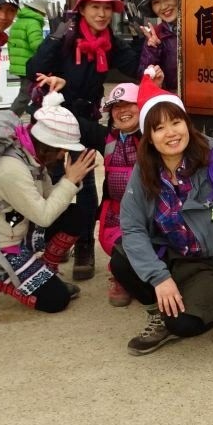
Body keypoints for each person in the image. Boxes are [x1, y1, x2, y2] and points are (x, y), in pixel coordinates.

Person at [113, 76, 213, 355]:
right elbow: (132, 228)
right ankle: (159, 312)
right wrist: (158, 277)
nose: (170, 133)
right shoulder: (144, 171)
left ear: (187, 124)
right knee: (122, 257)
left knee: (182, 324)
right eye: (159, 128)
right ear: (149, 137)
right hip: (179, 258)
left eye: (176, 122)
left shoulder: (212, 159)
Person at [27, 0, 143, 280]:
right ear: (82, 9)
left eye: (107, 8)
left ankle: (85, 246)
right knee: (54, 180)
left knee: (87, 180)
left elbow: (135, 68)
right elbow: (33, 68)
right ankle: (59, 237)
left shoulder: (110, 42)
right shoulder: (67, 36)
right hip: (56, 116)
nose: (102, 14)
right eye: (95, 7)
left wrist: (140, 36)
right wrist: (55, 36)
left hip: (87, 119)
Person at [0, 95, 98, 315]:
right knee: (56, 301)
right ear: (47, 145)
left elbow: (47, 199)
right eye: (62, 148)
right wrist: (69, 182)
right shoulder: (11, 168)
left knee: (76, 215)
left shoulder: (29, 156)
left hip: (19, 231)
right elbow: (43, 216)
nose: (64, 154)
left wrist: (72, 181)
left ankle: (47, 271)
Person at [86, 82, 143, 307]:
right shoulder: (106, 137)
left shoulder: (152, 134)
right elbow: (73, 121)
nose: (122, 110)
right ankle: (121, 275)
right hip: (116, 209)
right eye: (115, 107)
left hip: (147, 211)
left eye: (129, 104)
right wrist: (51, 94)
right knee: (115, 244)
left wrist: (152, 87)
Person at [138, 0, 179, 92]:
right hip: (171, 102)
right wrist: (153, 49)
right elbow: (143, 77)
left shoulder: (200, 24)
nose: (163, 6)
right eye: (156, 2)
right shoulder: (155, 34)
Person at [7, 0, 49, 80]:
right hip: (28, 65)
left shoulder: (19, 20)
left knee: (25, 89)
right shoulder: (33, 22)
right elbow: (36, 45)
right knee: (29, 91)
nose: (44, 15)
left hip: (18, 64)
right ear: (39, 11)